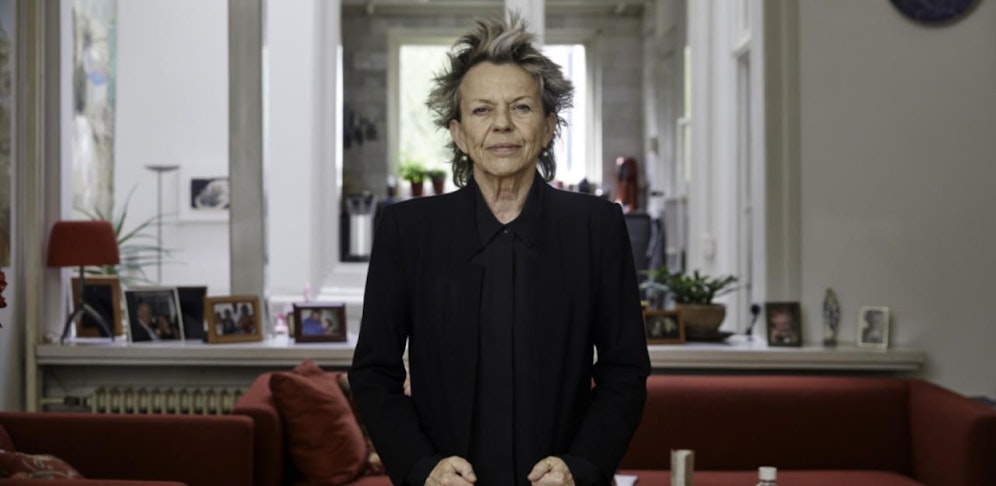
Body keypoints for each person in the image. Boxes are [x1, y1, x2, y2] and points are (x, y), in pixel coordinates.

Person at [349, 13, 651, 486]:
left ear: (548, 127)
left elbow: (625, 371)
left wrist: (582, 466)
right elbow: (373, 373)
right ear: (458, 134)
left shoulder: (597, 226)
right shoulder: (407, 231)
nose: (503, 125)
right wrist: (422, 468)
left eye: (521, 108)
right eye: (482, 110)